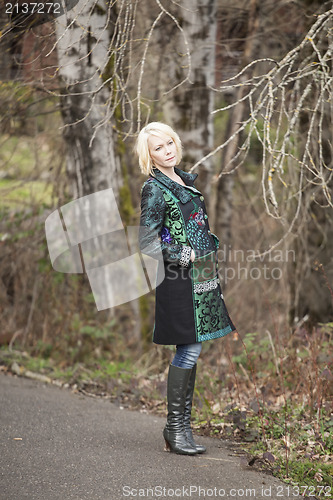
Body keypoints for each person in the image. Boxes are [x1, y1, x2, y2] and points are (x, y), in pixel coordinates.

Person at [136, 122, 237, 455]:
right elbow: (148, 243)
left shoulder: (182, 179)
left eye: (169, 143)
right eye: (159, 148)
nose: (168, 150)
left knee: (194, 349)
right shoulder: (154, 188)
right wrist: (185, 253)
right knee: (189, 349)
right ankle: (176, 429)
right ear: (149, 157)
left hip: (200, 276)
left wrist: (206, 245)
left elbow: (190, 226)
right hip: (178, 279)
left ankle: (179, 429)